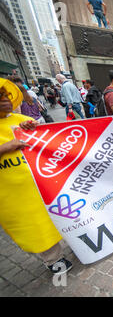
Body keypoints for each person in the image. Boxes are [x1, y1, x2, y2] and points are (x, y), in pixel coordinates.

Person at [0, 78, 73, 275]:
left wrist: (31, 127)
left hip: (44, 185)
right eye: (0, 96)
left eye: (7, 95)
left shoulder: (17, 119)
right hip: (15, 196)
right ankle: (53, 260)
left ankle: (76, 242)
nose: (6, 100)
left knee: (61, 216)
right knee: (36, 227)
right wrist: (4, 148)